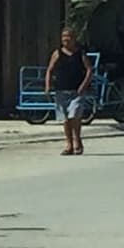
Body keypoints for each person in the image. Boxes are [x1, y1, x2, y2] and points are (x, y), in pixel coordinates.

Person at [45, 27, 93, 156]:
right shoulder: (57, 53)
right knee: (65, 119)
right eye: (63, 37)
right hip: (61, 90)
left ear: (74, 38)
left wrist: (83, 86)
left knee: (75, 116)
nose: (66, 39)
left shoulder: (80, 53)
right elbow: (50, 70)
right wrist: (48, 86)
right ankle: (69, 144)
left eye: (69, 36)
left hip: (76, 91)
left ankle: (77, 140)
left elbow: (89, 70)